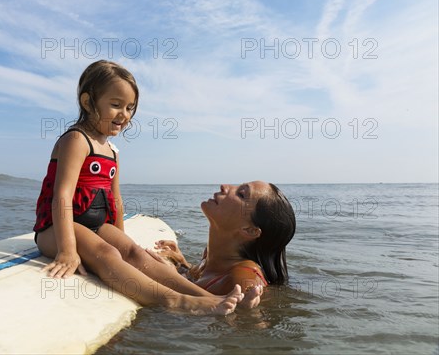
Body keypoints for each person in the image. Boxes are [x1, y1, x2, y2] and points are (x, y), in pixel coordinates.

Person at [33, 60, 258, 315]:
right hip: (56, 229)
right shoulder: (76, 139)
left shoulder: (112, 152)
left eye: (130, 108)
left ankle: (209, 297)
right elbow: (62, 195)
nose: (124, 114)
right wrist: (67, 250)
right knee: (106, 253)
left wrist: (125, 243)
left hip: (95, 226)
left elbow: (115, 201)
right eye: (115, 105)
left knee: (135, 253)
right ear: (88, 102)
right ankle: (176, 301)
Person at [152, 182, 296, 306]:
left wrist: (170, 277)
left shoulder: (243, 279)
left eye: (241, 194)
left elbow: (250, 322)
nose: (224, 186)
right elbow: (201, 280)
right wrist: (181, 264)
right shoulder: (210, 255)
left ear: (250, 230)